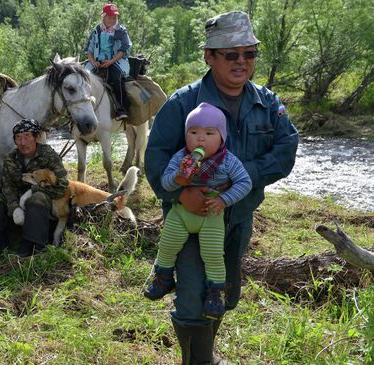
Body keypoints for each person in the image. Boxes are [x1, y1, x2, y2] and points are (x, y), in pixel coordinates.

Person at [144, 11, 298, 364]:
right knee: (192, 295)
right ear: (209, 56)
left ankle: (207, 354)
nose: (242, 62)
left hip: (239, 216)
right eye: (232, 54)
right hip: (189, 219)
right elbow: (155, 157)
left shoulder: (268, 103)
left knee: (225, 291)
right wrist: (182, 193)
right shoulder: (184, 103)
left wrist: (241, 175)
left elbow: (286, 150)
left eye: (250, 53)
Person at [143, 102, 252, 321]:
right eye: (193, 133)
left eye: (209, 133)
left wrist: (223, 199)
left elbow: (244, 182)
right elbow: (166, 183)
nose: (200, 139)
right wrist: (179, 179)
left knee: (212, 255)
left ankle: (216, 293)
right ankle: (163, 278)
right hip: (181, 212)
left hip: (211, 214)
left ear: (222, 137)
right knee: (167, 245)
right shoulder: (180, 157)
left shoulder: (228, 161)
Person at [0, 119, 68, 257]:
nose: (23, 142)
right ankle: (0, 244)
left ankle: (32, 245)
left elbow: (63, 186)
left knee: (37, 199)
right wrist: (14, 207)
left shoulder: (48, 155)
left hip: (41, 204)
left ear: (36, 137)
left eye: (27, 136)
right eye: (18, 138)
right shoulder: (10, 158)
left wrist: (34, 190)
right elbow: (7, 187)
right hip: (17, 201)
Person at [84, 2, 132, 120]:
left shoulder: (121, 30)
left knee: (117, 77)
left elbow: (124, 49)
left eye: (115, 16)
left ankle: (121, 109)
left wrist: (110, 61)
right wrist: (93, 61)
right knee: (83, 78)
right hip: (96, 61)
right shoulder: (96, 30)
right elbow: (88, 50)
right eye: (110, 16)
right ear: (103, 16)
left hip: (115, 61)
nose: (113, 18)